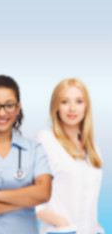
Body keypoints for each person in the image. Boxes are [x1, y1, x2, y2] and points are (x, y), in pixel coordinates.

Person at [0, 75, 51, 234]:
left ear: (18, 108)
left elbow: (44, 193)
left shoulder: (34, 149)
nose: (2, 113)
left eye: (9, 105)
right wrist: (26, 199)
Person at [34, 78, 104, 234]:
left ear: (86, 107)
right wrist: (61, 223)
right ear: (56, 107)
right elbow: (28, 197)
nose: (72, 108)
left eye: (79, 101)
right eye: (65, 102)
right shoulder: (45, 140)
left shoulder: (94, 149)